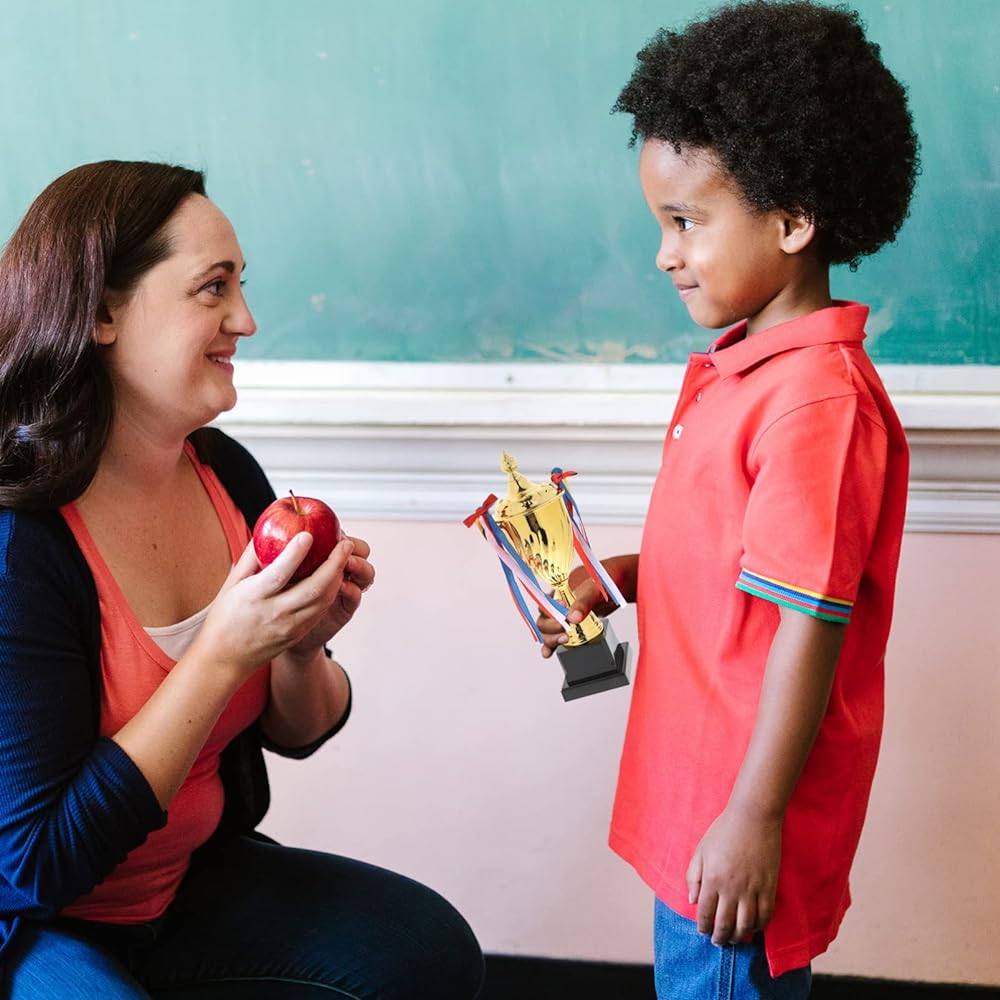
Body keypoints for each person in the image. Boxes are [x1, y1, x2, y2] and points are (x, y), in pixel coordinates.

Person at [0, 160, 484, 999]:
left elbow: (296, 732)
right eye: (212, 289)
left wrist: (300, 647)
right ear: (103, 311)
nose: (247, 320)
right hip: (37, 921)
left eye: (241, 285)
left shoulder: (226, 473)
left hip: (185, 882)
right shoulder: (21, 538)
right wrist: (221, 654)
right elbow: (39, 863)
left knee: (430, 952)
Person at [537, 3, 919, 998]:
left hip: (730, 826)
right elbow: (737, 565)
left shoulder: (815, 404)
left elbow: (808, 622)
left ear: (791, 220)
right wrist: (618, 578)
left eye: (685, 222)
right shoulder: (750, 369)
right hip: (695, 800)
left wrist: (753, 817)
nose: (665, 253)